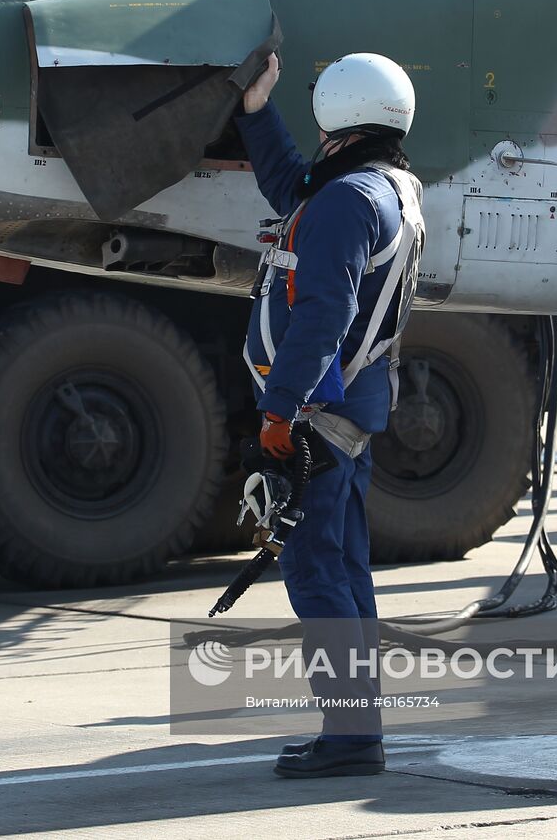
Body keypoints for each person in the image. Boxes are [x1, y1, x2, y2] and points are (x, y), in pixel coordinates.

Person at [235, 52, 425, 778]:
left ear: (336, 119)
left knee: (316, 572)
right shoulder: (387, 187)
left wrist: (278, 413)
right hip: (351, 412)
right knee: (345, 570)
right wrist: (256, 114)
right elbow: (295, 190)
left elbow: (323, 313)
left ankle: (349, 737)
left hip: (316, 414)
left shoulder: (349, 200)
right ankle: (358, 729)